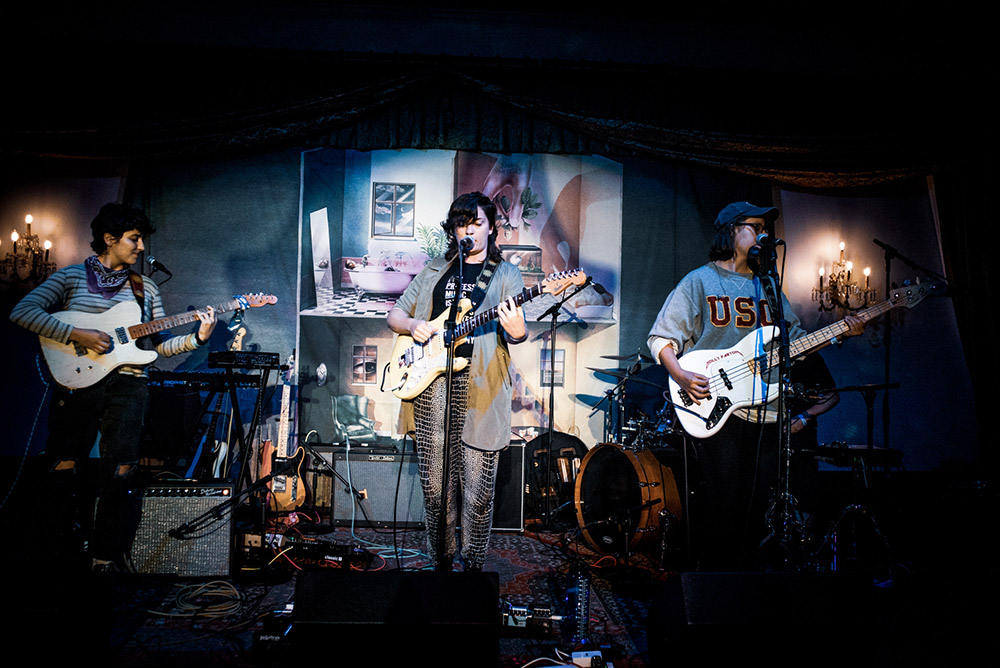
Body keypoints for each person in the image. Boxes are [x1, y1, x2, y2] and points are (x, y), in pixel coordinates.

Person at [647, 201, 863, 569]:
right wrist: (682, 376)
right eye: (755, 226)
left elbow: (795, 343)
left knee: (765, 504)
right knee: (724, 502)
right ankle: (717, 581)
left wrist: (841, 331)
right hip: (719, 409)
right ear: (732, 231)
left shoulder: (768, 287)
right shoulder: (700, 281)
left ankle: (753, 586)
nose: (764, 233)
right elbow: (661, 339)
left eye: (766, 227)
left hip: (770, 413)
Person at [10, 203, 217, 571]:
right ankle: (51, 554)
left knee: (122, 470)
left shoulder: (145, 288)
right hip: (78, 382)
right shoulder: (71, 277)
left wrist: (198, 338)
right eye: (134, 239)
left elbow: (159, 347)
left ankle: (104, 557)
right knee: (62, 464)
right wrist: (79, 333)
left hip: (129, 386)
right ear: (109, 239)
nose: (141, 247)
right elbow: (23, 312)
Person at [387, 192, 526, 571]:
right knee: (435, 487)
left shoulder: (505, 274)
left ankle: (474, 566)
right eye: (463, 224)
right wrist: (414, 325)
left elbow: (515, 330)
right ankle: (441, 561)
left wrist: (516, 331)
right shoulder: (435, 268)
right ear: (454, 230)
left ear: (492, 227)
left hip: (480, 385)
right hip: (431, 383)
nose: (470, 230)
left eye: (477, 223)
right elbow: (396, 314)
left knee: (477, 488)